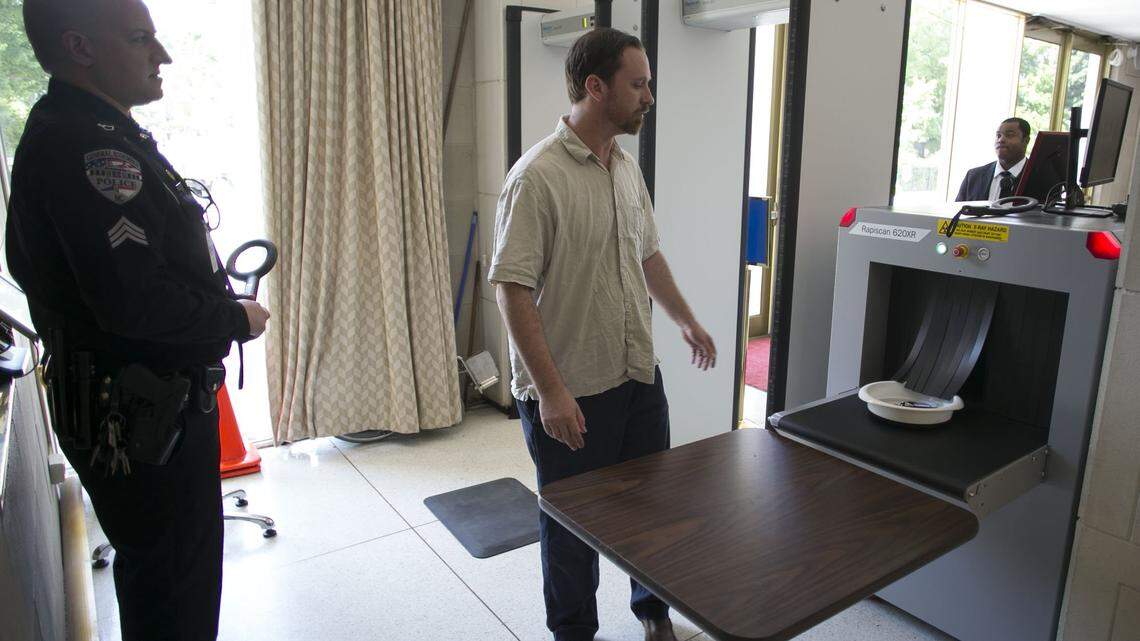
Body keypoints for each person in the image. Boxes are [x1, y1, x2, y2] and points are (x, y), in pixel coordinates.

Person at [5, 1, 270, 639]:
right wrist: (234, 316)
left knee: (170, 578)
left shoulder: (97, 130)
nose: (164, 56)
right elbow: (134, 302)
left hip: (140, 409)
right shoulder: (85, 147)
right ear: (80, 47)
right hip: (142, 415)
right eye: (140, 39)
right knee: (175, 589)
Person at [490, 28, 717, 641]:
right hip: (573, 389)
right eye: (637, 84)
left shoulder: (625, 168)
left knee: (653, 511)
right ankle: (573, 634)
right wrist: (552, 393)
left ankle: (654, 614)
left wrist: (685, 320)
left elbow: (647, 256)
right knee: (571, 528)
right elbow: (511, 289)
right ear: (596, 87)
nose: (649, 97)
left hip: (637, 374)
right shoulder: (536, 178)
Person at [955, 117, 1031, 202]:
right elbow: (957, 212)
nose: (1001, 140)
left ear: (1026, 140)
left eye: (1009, 135)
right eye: (998, 135)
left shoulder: (1039, 178)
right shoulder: (973, 177)